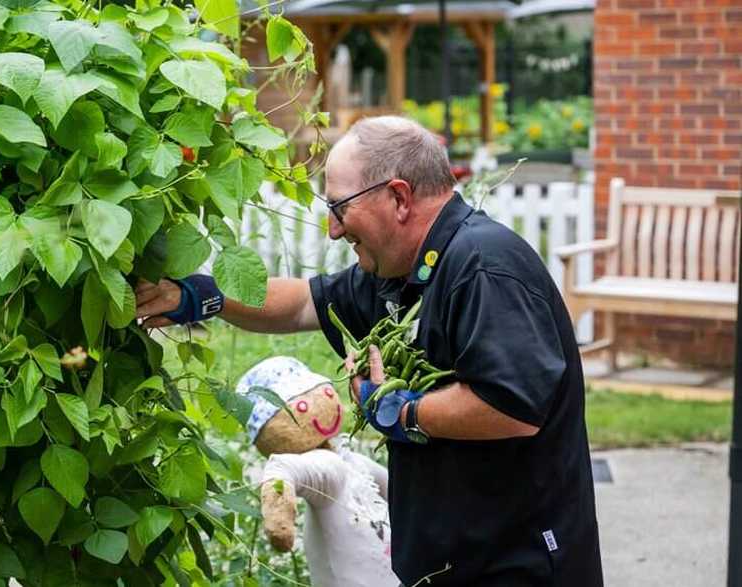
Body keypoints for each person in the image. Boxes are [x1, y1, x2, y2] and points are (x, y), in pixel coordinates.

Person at [135, 115, 603, 586]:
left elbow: (515, 406)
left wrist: (399, 411)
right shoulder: (404, 274)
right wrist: (201, 297)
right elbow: (301, 303)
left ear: (398, 197)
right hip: (454, 561)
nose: (333, 229)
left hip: (516, 565)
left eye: (339, 207)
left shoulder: (484, 265)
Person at [235, 356, 400, 587]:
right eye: (302, 406)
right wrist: (278, 513)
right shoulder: (327, 472)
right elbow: (283, 469)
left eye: (325, 393)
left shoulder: (347, 459)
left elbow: (394, 486)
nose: (323, 403)